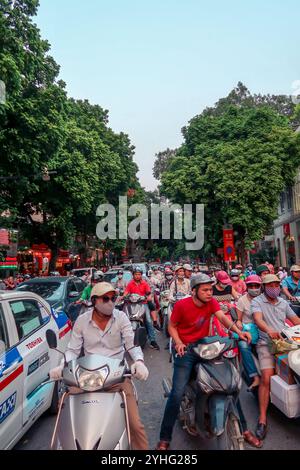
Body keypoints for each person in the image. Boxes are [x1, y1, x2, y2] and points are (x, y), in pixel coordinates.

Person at [156, 274, 254, 450]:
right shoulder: (181, 305)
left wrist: (239, 333)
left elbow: (223, 318)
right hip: (185, 350)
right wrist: (178, 342)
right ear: (194, 291)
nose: (210, 293)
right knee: (176, 393)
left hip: (205, 346)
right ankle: (165, 438)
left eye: (211, 289)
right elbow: (171, 326)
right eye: (206, 290)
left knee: (228, 386)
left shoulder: (211, 303)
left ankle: (245, 430)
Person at [49, 282, 149, 450]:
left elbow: (132, 344)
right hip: (87, 377)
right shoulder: (81, 321)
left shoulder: (122, 317)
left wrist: (139, 362)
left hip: (116, 376)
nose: (111, 302)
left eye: (113, 298)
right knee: (66, 412)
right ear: (94, 301)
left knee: (135, 425)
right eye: (106, 299)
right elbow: (73, 350)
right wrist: (62, 366)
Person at [251, 274, 300, 440]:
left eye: (277, 284)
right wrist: (269, 330)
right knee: (266, 377)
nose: (274, 287)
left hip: (286, 342)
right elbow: (258, 320)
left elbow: (295, 320)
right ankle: (263, 418)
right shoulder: (257, 302)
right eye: (270, 285)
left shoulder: (283, 302)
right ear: (264, 287)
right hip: (266, 343)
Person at [236, 275, 262, 391]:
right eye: (251, 286)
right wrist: (242, 328)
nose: (254, 288)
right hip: (249, 331)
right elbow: (238, 320)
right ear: (247, 287)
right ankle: (255, 376)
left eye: (256, 286)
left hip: (264, 330)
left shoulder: (265, 298)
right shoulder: (242, 300)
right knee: (243, 345)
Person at [124, 268, 160, 350]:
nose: (137, 276)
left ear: (141, 275)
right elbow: (126, 292)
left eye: (139, 274)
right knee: (127, 319)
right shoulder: (130, 284)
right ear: (133, 275)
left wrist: (149, 297)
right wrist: (123, 296)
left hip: (143, 304)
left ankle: (152, 341)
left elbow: (148, 292)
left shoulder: (144, 283)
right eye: (136, 274)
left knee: (148, 321)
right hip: (132, 305)